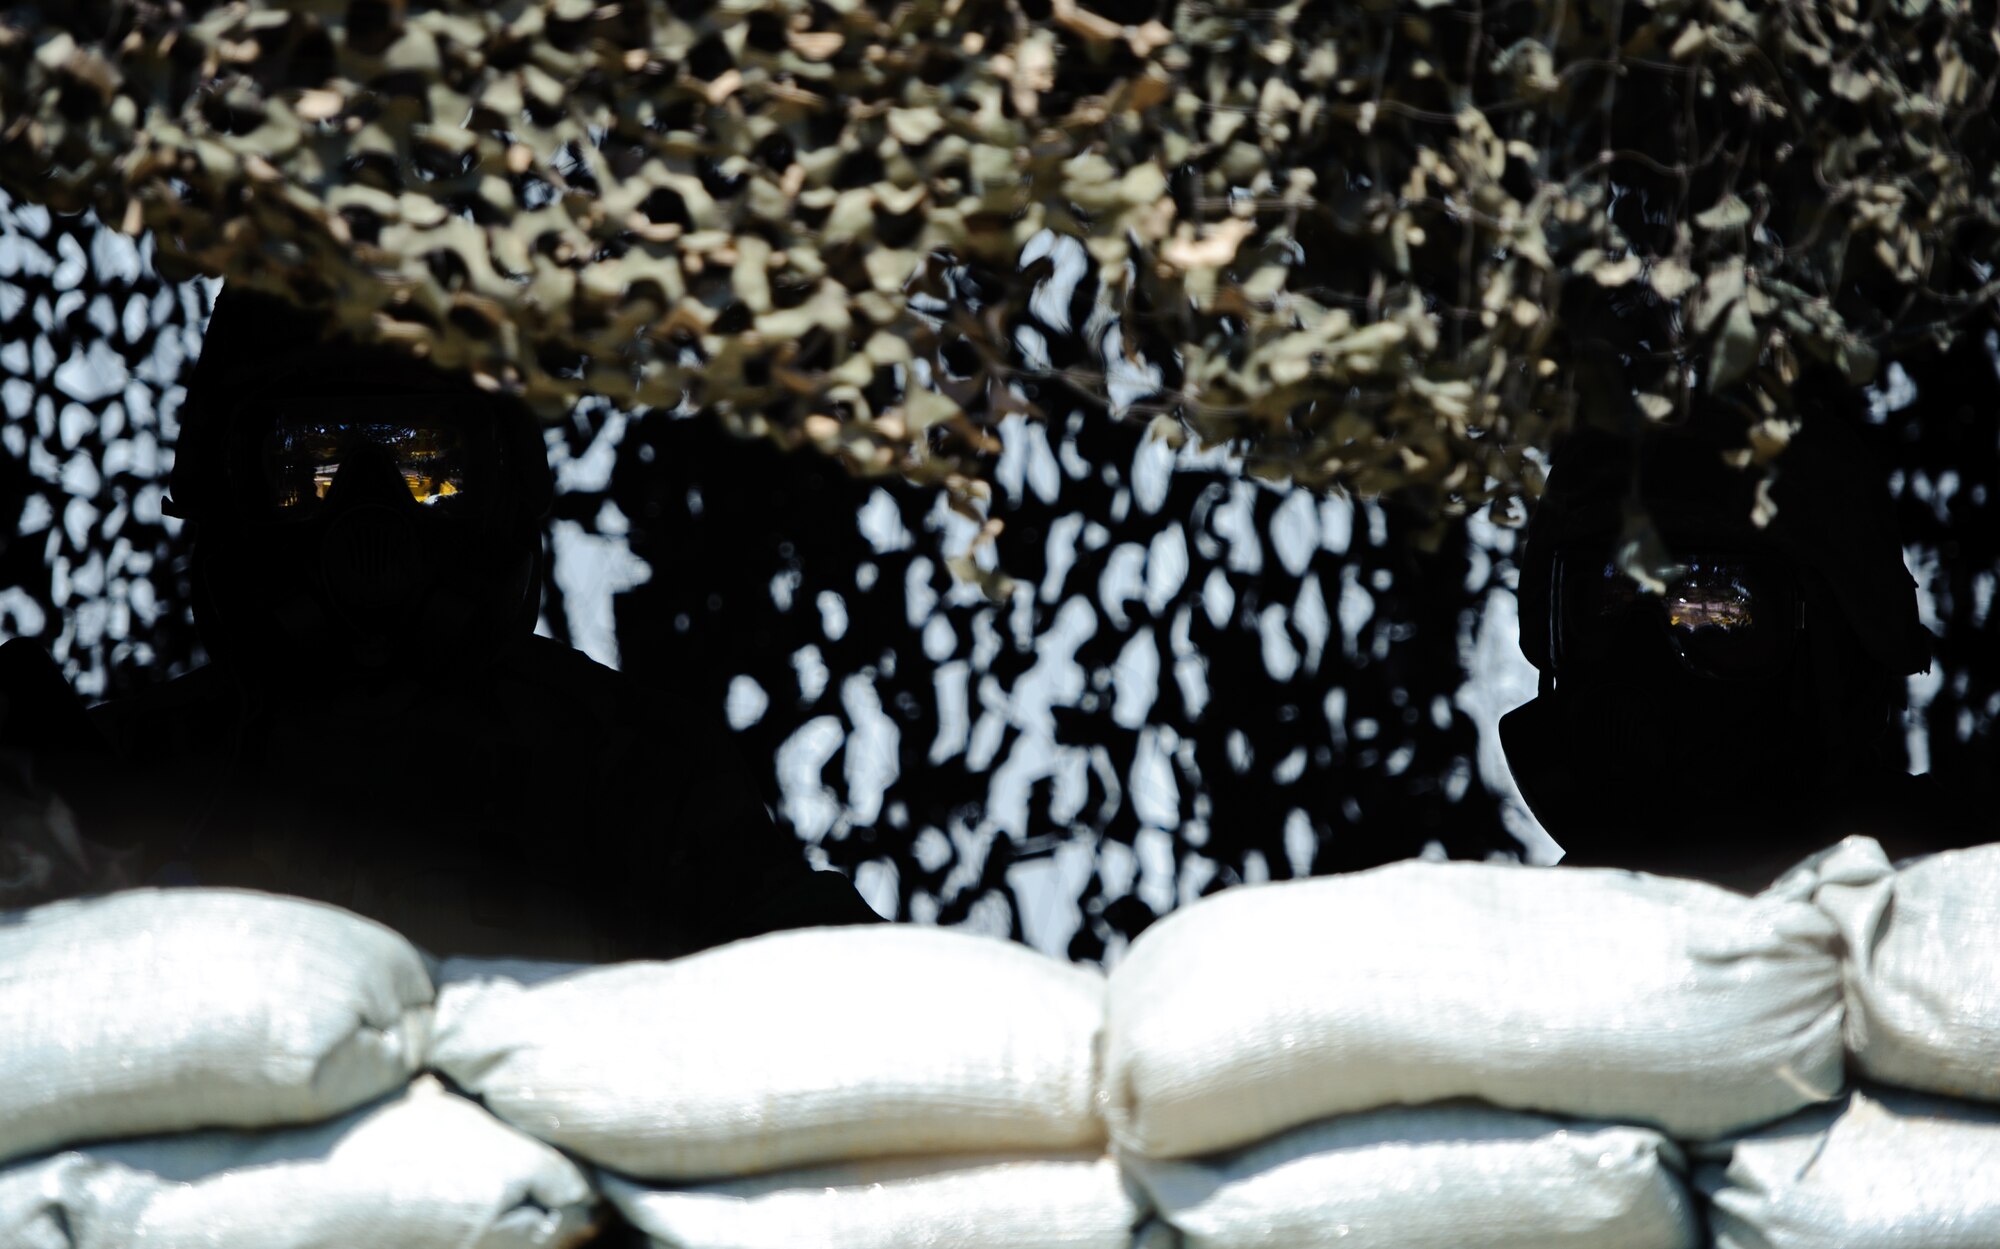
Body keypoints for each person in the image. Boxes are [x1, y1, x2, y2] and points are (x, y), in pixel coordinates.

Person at [71, 286, 878, 959]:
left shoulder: (630, 772)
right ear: (231, 494)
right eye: (311, 468)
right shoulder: (107, 778)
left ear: (498, 489)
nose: (368, 517)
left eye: (426, 469)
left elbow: (843, 982)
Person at [1500, 411, 1972, 890]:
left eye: (1717, 608)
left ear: (1835, 650)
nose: (1641, 655)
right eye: (1609, 601)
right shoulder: (1537, 938)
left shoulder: (1954, 899)